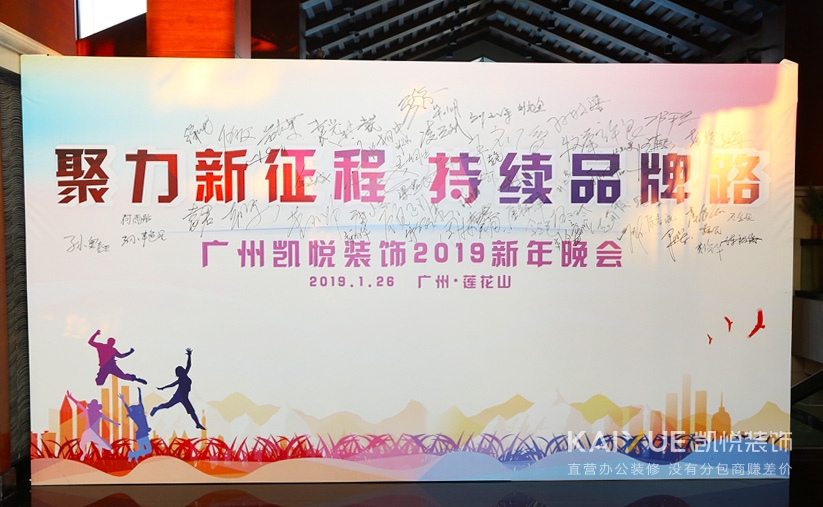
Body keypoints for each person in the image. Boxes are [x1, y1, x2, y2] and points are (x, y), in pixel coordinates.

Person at [150, 348, 206, 430]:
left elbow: (189, 365)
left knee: (191, 411)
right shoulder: (181, 379)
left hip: (184, 397)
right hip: (179, 396)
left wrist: (189, 356)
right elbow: (172, 384)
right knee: (168, 405)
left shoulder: (184, 375)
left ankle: (197, 424)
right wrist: (163, 388)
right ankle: (156, 408)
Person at [66, 391, 119, 461]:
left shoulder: (90, 412)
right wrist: (71, 397)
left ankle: (85, 452)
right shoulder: (95, 413)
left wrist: (71, 397)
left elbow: (78, 404)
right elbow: (78, 404)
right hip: (90, 432)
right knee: (83, 444)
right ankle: (85, 452)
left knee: (82, 444)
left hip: (90, 432)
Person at [119, 387, 152, 462]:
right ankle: (132, 455)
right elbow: (139, 401)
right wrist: (140, 392)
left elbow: (130, 406)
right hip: (142, 434)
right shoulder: (139, 414)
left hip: (141, 434)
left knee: (145, 450)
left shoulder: (135, 415)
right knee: (148, 450)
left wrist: (123, 400)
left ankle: (134, 455)